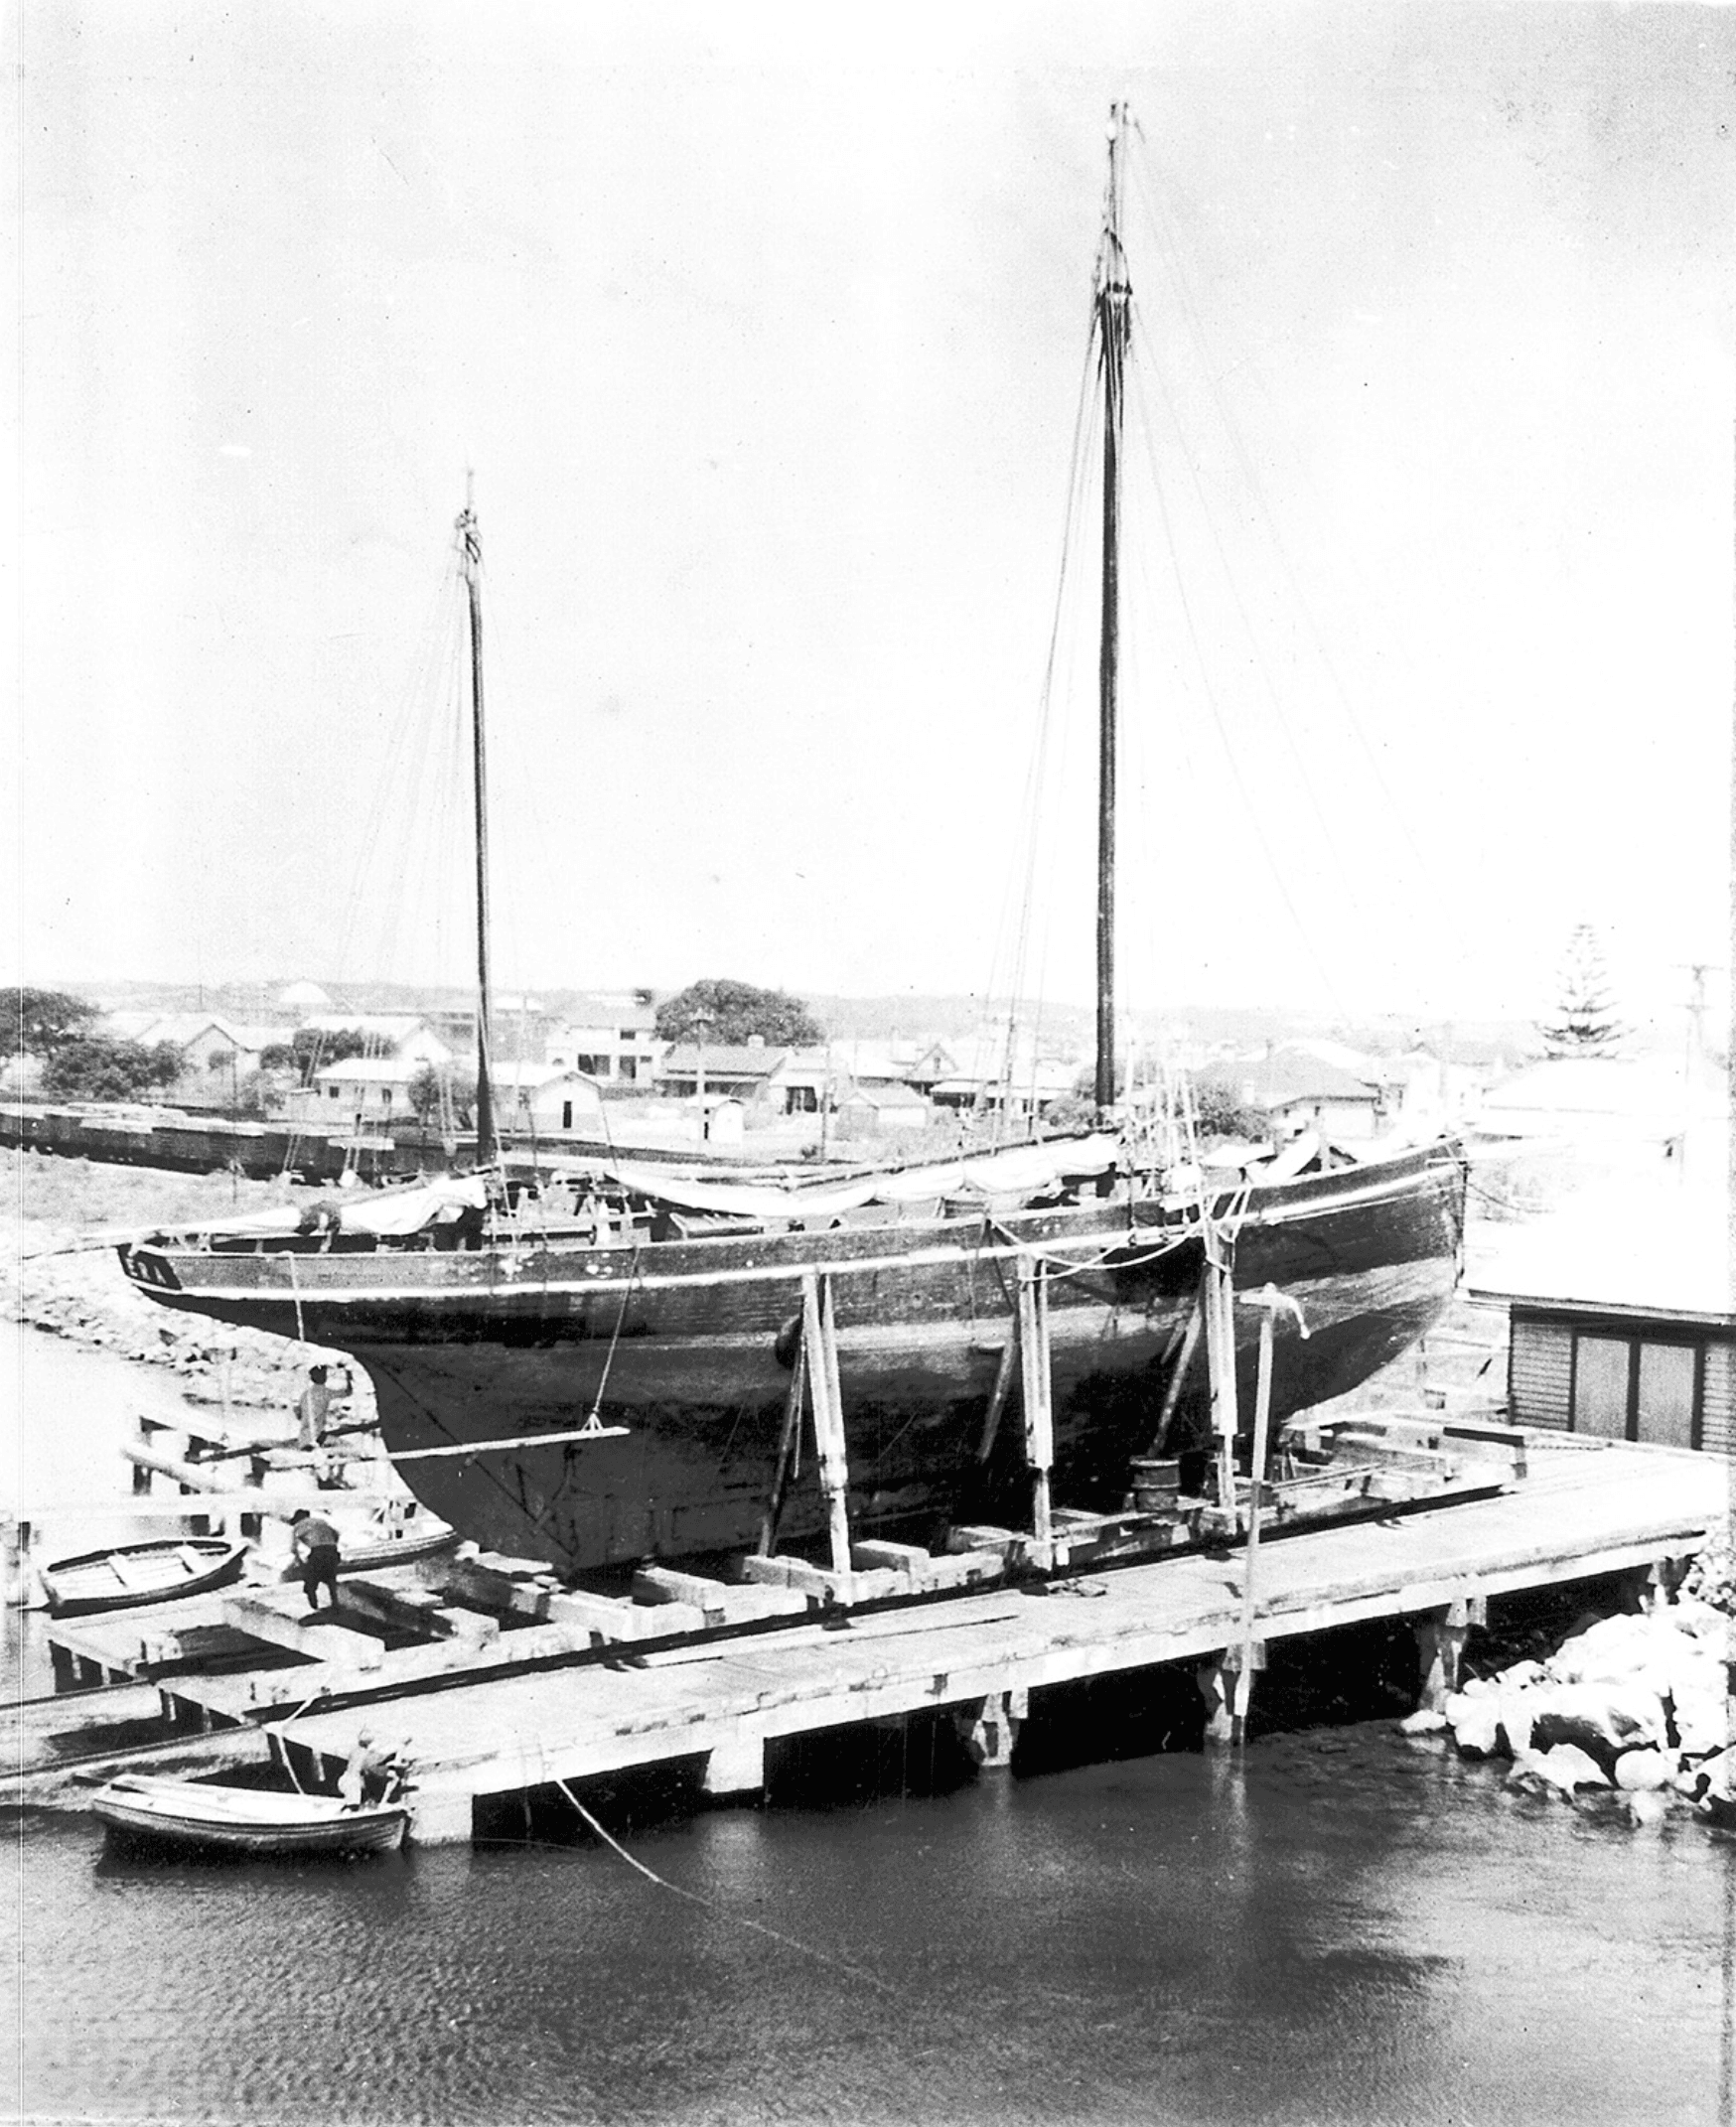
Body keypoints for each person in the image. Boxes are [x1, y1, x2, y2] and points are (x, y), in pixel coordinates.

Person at [288, 1506, 342, 1613]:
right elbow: (336, 1534)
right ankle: (335, 1604)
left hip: (318, 1552)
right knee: (331, 1580)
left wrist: (300, 1562)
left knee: (310, 1583)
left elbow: (293, 1549)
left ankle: (315, 1608)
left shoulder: (298, 1526)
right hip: (332, 1550)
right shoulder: (321, 1522)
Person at [339, 1728, 408, 1810]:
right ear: (369, 1743)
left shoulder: (354, 1751)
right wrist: (401, 1747)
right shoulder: (367, 1755)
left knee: (353, 1804)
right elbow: (377, 1760)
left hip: (344, 1780)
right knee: (353, 1807)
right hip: (353, 1783)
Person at [296, 1364, 332, 1451]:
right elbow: (347, 1392)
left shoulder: (305, 1394)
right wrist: (348, 1376)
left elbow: (298, 1414)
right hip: (318, 1435)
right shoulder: (326, 1392)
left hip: (305, 1437)